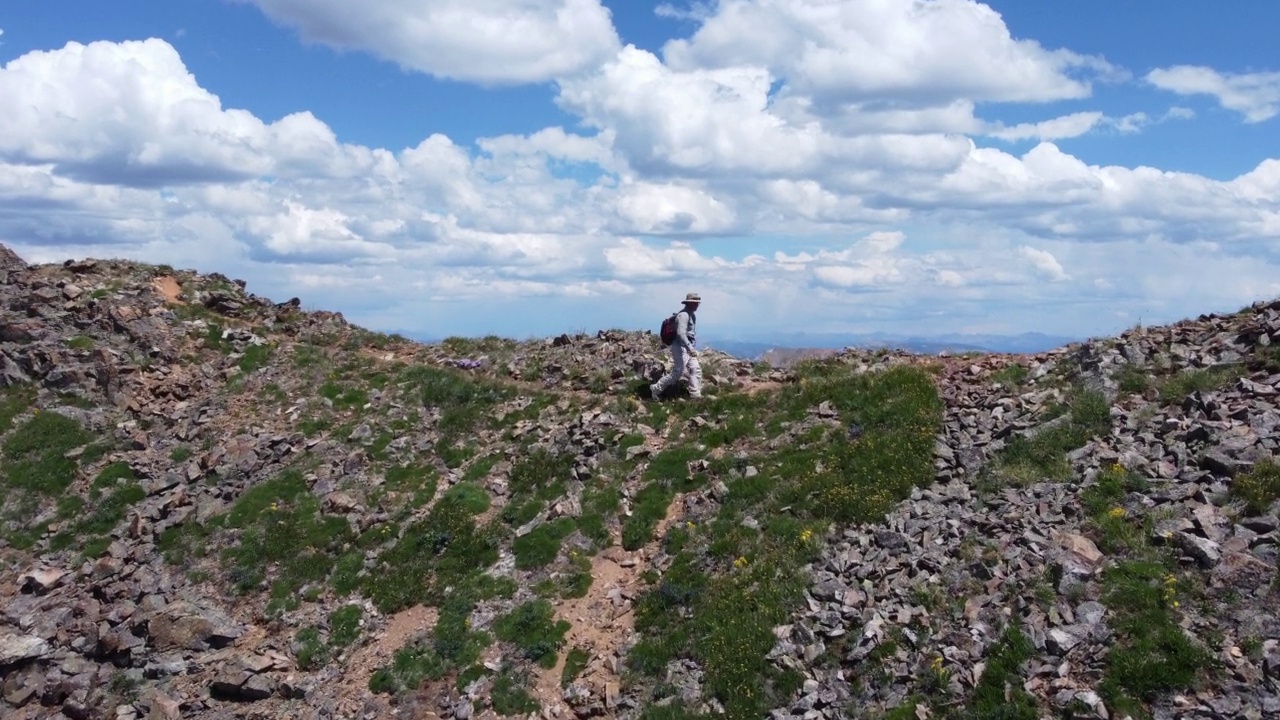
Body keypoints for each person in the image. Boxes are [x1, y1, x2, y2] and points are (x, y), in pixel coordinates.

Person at [651, 292, 702, 400]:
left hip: (687, 347)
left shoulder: (691, 314)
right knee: (678, 372)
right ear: (689, 303)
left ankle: (695, 394)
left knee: (695, 369)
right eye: (695, 303)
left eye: (697, 303)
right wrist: (690, 348)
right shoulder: (683, 315)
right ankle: (656, 388)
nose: (697, 305)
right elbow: (681, 333)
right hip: (680, 347)